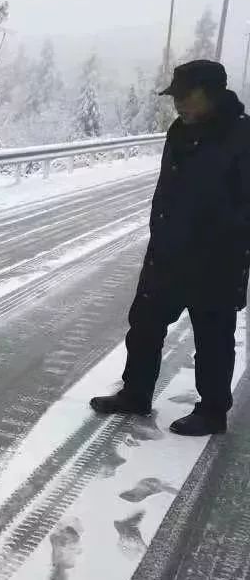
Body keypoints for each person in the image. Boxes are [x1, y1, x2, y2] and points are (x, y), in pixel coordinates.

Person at [90, 60, 250, 436]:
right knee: (144, 324)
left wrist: (235, 249)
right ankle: (136, 392)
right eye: (174, 95)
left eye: (185, 94)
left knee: (212, 337)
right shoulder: (178, 132)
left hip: (216, 259)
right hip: (167, 253)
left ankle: (212, 411)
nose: (177, 103)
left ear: (211, 92)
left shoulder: (241, 137)